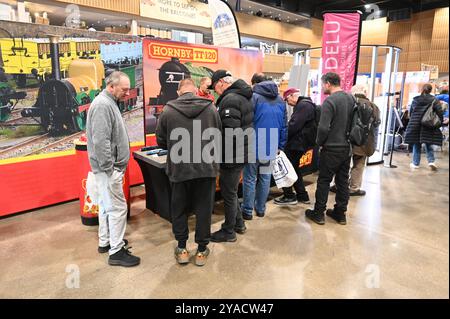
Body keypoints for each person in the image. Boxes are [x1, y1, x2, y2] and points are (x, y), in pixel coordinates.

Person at [156, 78, 221, 266]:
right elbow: (219, 135)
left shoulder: (168, 110)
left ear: (179, 92)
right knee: (204, 209)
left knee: (179, 209)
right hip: (206, 167)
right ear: (195, 90)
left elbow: (161, 142)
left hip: (179, 168)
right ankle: (201, 251)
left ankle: (182, 248)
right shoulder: (210, 108)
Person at [86, 71, 140, 267]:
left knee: (107, 206)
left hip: (106, 169)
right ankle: (116, 251)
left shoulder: (107, 102)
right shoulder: (103, 105)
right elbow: (101, 141)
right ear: (111, 86)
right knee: (117, 209)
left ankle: (105, 241)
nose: (127, 93)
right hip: (108, 169)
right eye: (124, 89)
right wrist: (110, 168)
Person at [209, 70, 254, 242]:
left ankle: (228, 231)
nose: (215, 91)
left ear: (221, 82)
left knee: (228, 192)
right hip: (241, 152)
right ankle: (239, 224)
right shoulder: (243, 96)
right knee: (232, 191)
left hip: (232, 155)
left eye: (215, 87)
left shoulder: (230, 99)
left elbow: (231, 132)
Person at [305, 72, 354, 226]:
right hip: (347, 148)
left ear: (327, 83)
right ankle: (340, 213)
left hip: (331, 148)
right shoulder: (351, 99)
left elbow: (323, 127)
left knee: (324, 181)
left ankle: (319, 213)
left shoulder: (329, 101)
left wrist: (319, 143)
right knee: (342, 181)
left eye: (322, 84)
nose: (322, 87)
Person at [241, 73, 287, 220]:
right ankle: (260, 209)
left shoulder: (253, 97)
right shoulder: (280, 100)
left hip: (254, 144)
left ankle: (247, 211)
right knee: (265, 177)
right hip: (271, 144)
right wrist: (280, 145)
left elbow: (247, 121)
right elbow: (284, 126)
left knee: (249, 178)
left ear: (255, 84)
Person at [330, 84, 381, 196]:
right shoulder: (373, 106)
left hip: (346, 138)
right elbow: (377, 124)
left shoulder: (349, 104)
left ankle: (338, 185)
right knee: (359, 164)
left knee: (342, 164)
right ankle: (354, 188)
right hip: (364, 141)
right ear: (365, 92)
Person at [274, 88, 316, 206]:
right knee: (294, 169)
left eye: (287, 100)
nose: (288, 103)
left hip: (297, 144)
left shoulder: (303, 106)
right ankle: (302, 195)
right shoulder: (307, 104)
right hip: (302, 143)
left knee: (285, 168)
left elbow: (294, 125)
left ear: (292, 96)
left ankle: (289, 196)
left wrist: (282, 137)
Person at [404, 83, 444, 170]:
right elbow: (439, 112)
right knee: (428, 143)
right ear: (430, 90)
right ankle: (431, 161)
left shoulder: (416, 99)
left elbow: (411, 112)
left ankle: (415, 163)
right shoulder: (434, 100)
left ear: (422, 89)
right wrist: (439, 122)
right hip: (428, 124)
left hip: (416, 124)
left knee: (416, 144)